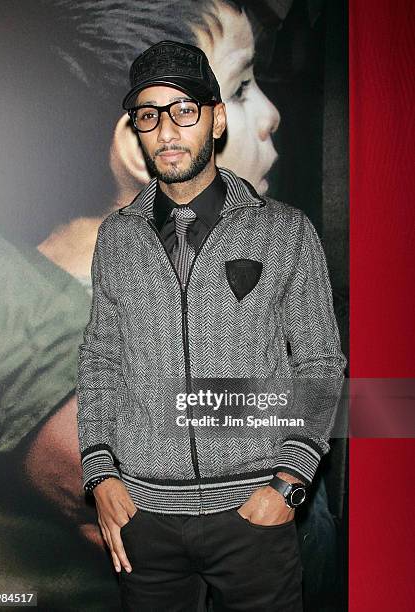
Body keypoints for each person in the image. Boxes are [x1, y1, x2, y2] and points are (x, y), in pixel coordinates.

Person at [76, 40, 346, 612]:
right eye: (150, 115)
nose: (168, 130)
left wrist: (289, 483)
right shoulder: (117, 239)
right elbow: (100, 359)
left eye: (184, 111)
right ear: (136, 132)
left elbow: (320, 364)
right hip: (145, 521)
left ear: (216, 119)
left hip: (254, 515)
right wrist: (100, 474)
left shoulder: (285, 232)